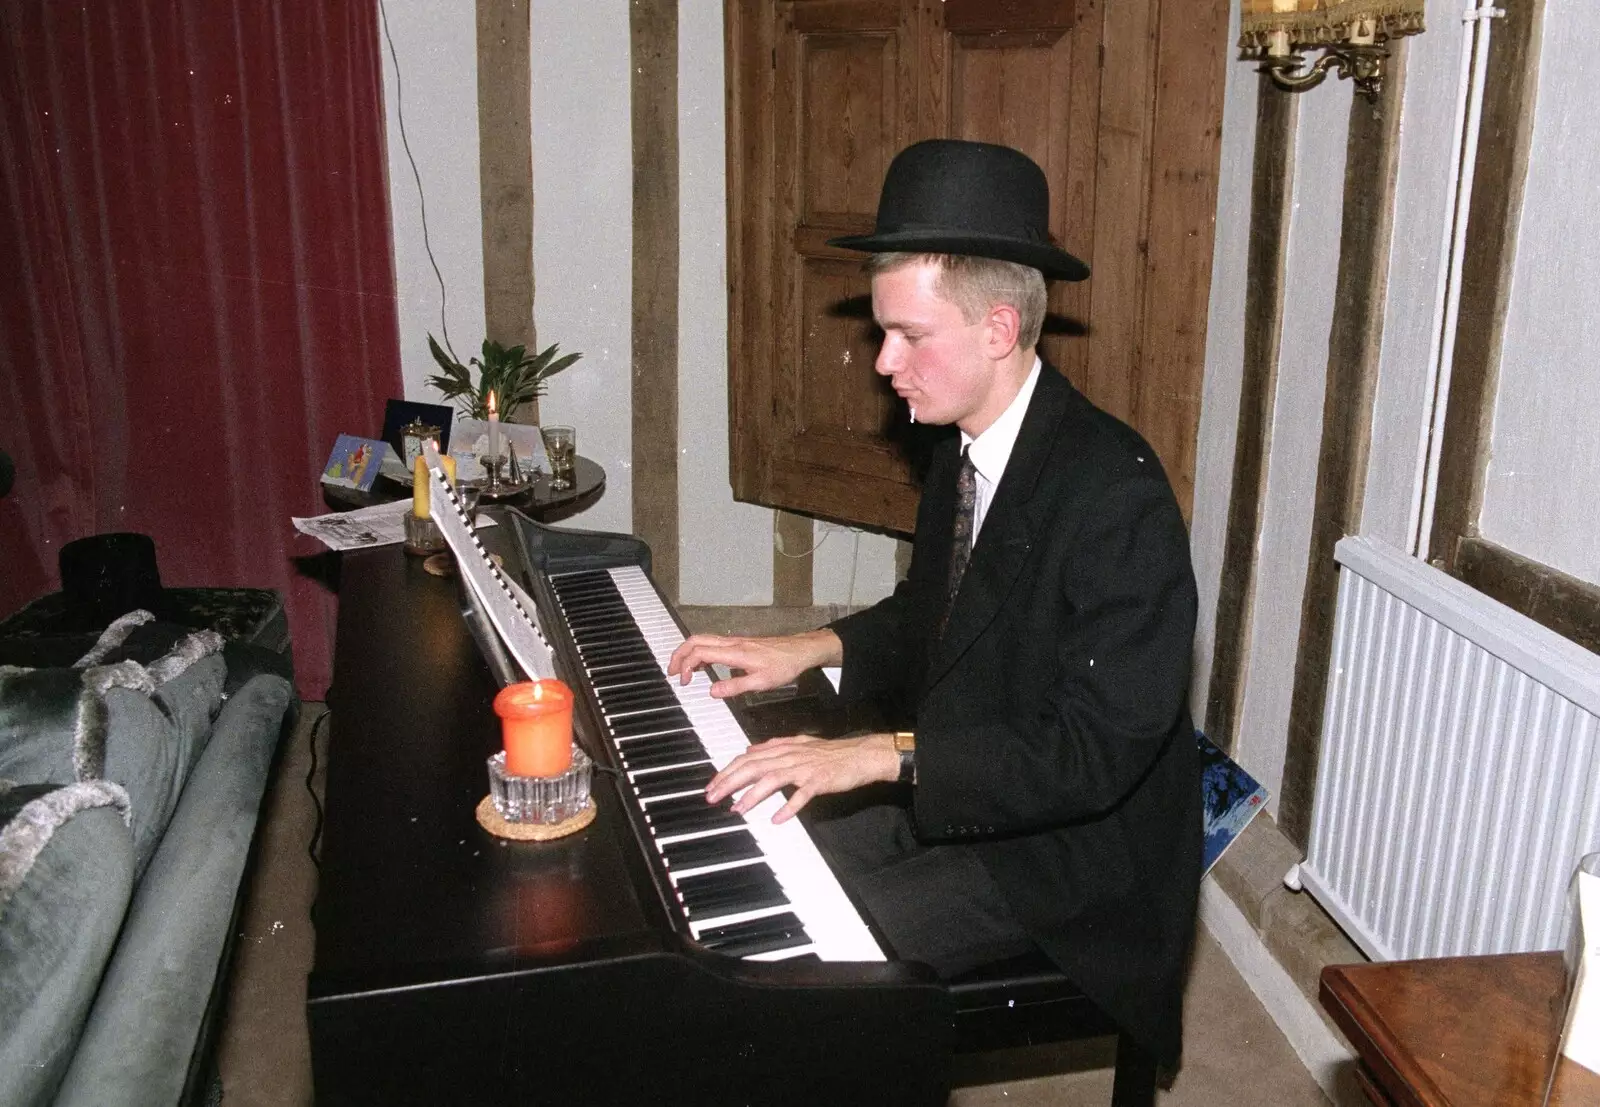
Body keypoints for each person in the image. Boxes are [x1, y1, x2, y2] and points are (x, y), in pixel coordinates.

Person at [666, 138, 1200, 1068]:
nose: (883, 362)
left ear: (999, 329)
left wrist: (880, 753)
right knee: (747, 870)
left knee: (796, 967)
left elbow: (1091, 751)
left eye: (909, 335)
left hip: (1071, 865)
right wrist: (808, 648)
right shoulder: (965, 444)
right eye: (884, 331)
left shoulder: (1118, 495)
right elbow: (935, 614)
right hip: (971, 785)